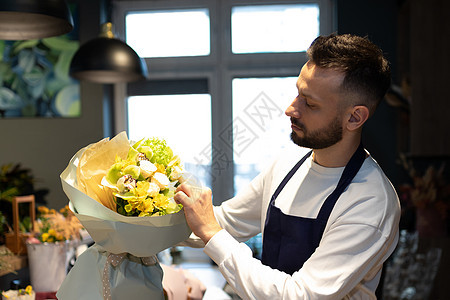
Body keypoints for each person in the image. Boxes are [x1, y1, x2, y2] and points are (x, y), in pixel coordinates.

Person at [174, 33, 401, 299]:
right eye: (297, 93)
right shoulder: (288, 162)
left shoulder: (370, 202)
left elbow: (299, 295)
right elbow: (224, 223)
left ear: (354, 117)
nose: (291, 109)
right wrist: (136, 216)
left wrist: (212, 233)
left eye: (310, 103)